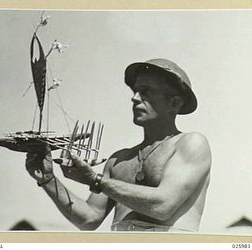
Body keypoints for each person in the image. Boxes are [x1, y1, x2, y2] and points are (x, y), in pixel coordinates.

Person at [25, 58, 212, 232]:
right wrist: (48, 180)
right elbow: (89, 219)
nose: (135, 98)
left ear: (174, 102)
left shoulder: (191, 143)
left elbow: (162, 206)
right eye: (135, 91)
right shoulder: (118, 160)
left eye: (146, 91)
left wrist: (95, 180)